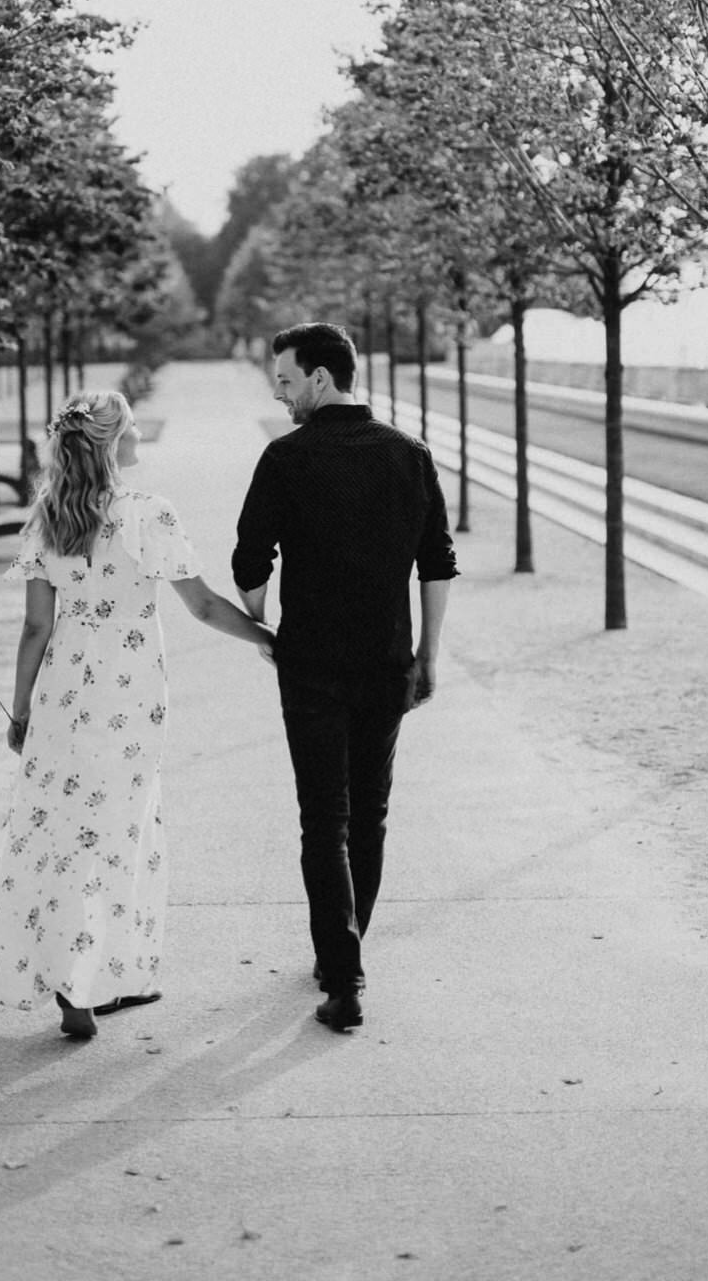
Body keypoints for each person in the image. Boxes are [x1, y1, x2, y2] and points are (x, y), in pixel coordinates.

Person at [0, 390, 276, 1041]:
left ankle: (74, 986)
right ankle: (97, 976)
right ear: (111, 443)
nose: (138, 438)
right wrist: (270, 640)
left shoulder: (47, 519)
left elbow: (34, 628)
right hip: (129, 701)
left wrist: (19, 712)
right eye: (131, 429)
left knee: (57, 832)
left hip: (62, 699)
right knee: (116, 833)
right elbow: (205, 607)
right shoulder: (149, 514)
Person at [233, 321, 455, 1033]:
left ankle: (342, 972)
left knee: (322, 820)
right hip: (387, 658)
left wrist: (261, 620)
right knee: (370, 813)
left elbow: (249, 561)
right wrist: (430, 654)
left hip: (311, 666)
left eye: (287, 380)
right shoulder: (410, 455)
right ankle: (346, 950)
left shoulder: (286, 458)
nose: (280, 391)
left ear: (322, 379)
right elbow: (438, 561)